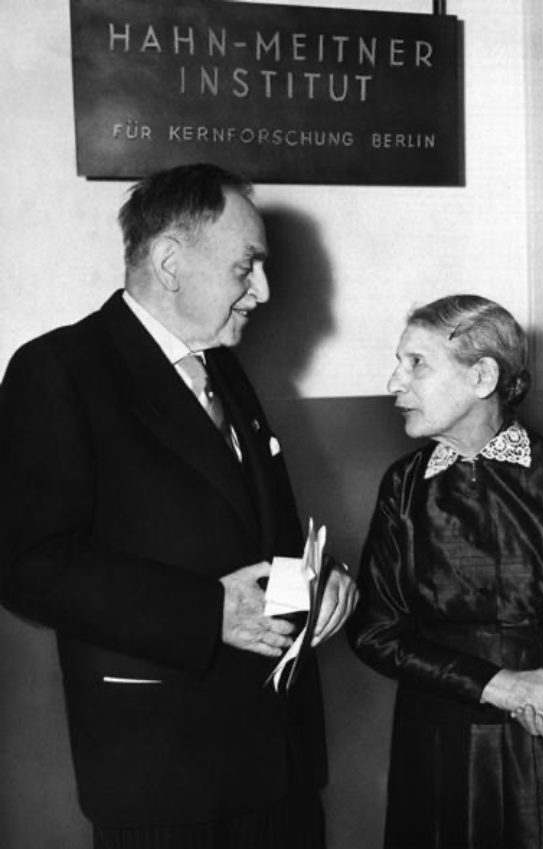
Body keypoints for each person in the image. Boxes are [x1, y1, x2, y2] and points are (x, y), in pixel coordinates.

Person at [0, 163, 357, 849]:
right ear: (169, 262)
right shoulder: (59, 369)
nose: (263, 291)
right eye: (245, 266)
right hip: (164, 775)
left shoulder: (221, 363)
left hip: (278, 762)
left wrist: (319, 579)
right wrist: (206, 612)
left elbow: (258, 532)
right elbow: (27, 565)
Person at [346, 294, 543, 849]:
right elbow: (374, 631)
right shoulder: (403, 487)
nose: (394, 382)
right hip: (440, 742)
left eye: (416, 363)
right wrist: (500, 686)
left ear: (482, 376)